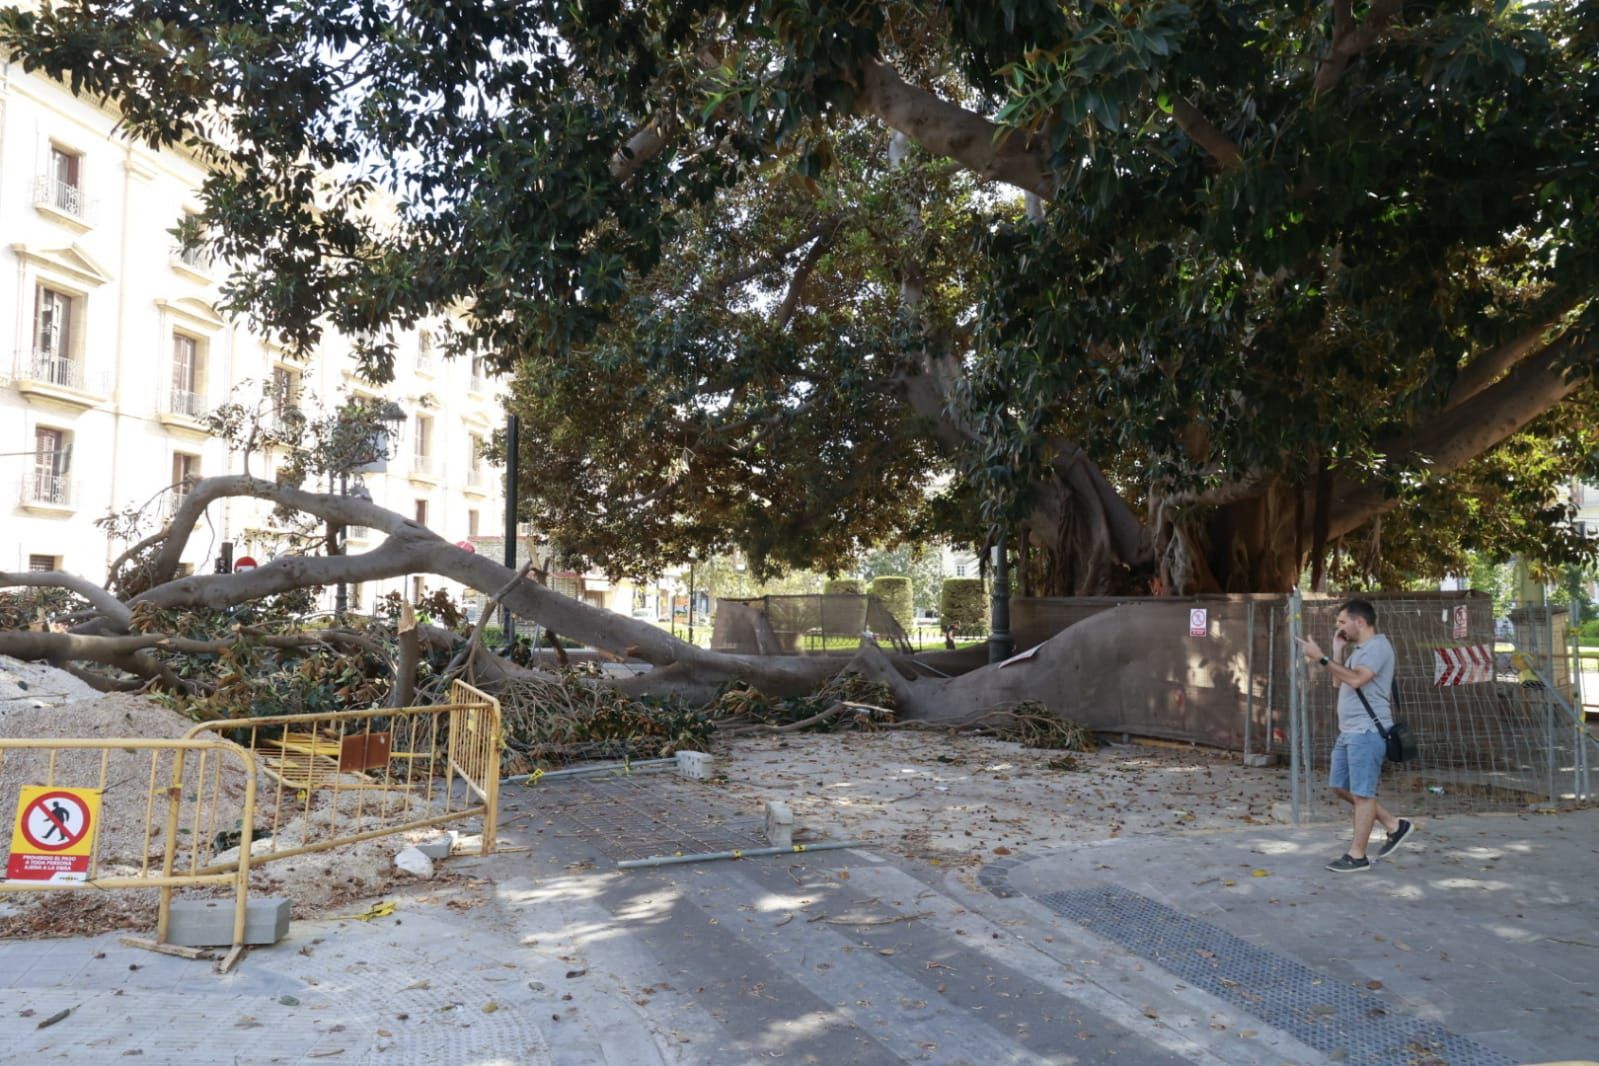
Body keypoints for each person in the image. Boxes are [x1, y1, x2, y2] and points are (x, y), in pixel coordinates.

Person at [1295, 599, 1414, 872]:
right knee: (1340, 785)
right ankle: (1395, 825)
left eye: (1342, 622)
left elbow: (1357, 679)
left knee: (1362, 794)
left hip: (1367, 731)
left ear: (1359, 622)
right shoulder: (1358, 650)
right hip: (1349, 731)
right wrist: (1336, 650)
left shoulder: (1378, 647)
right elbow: (1340, 680)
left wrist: (1321, 657)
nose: (1339, 627)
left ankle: (1357, 855)